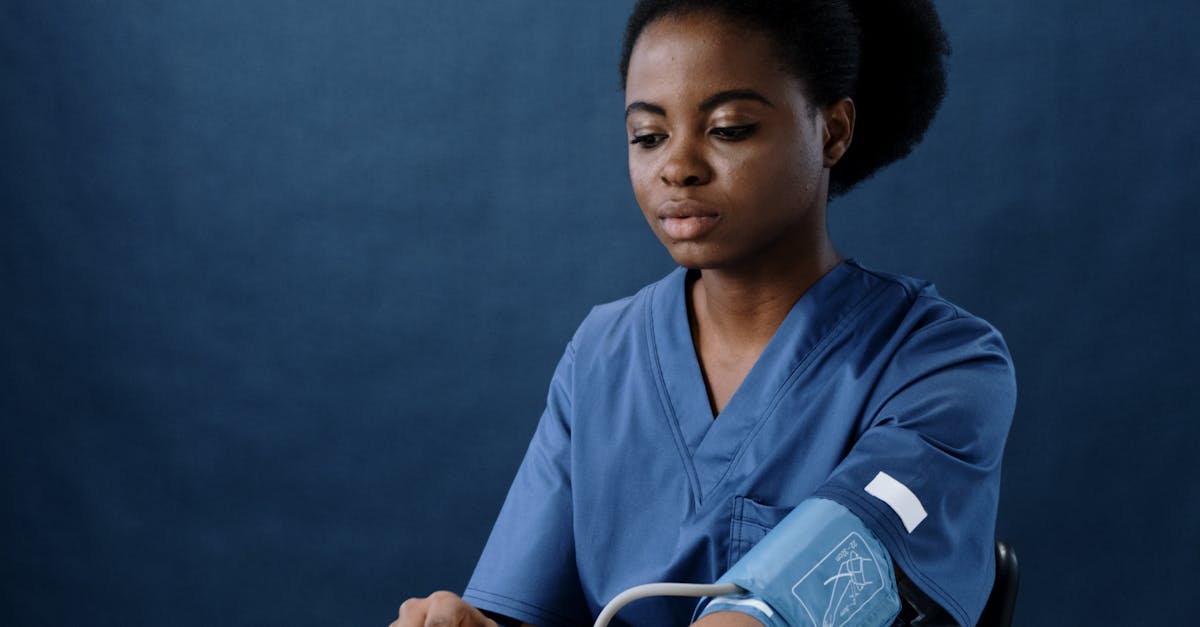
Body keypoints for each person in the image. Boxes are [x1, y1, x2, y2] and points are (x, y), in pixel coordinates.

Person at [392, 1, 1015, 625]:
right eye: (648, 136)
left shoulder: (945, 366)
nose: (678, 167)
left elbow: (804, 591)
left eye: (729, 128)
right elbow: (516, 606)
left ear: (832, 132)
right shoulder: (602, 355)